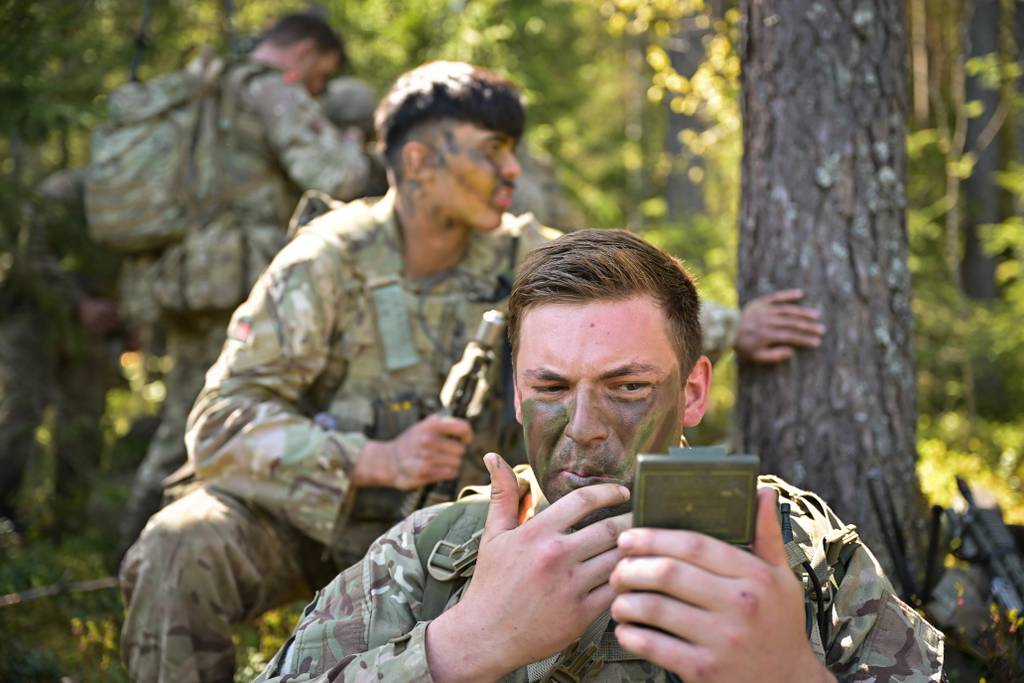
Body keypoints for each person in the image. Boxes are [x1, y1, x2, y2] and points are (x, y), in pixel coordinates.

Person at [118, 60, 824, 682]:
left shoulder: (513, 251)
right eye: (492, 152)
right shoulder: (324, 263)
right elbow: (220, 422)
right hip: (314, 520)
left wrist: (739, 325)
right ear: (420, 161)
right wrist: (372, 457)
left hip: (456, 531)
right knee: (178, 547)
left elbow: (623, 308)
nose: (512, 171)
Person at [256, 229, 944, 682]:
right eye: (550, 387)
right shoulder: (425, 559)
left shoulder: (800, 551)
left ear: (694, 390)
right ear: (519, 397)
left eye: (629, 387)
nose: (584, 427)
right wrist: (463, 644)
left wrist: (790, 673)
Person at [117, 12, 372, 553]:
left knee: (180, 419)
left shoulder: (203, 85)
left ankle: (133, 549)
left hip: (186, 274)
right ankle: (162, 555)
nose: (318, 88)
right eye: (320, 76)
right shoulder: (270, 93)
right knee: (220, 420)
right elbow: (337, 177)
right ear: (304, 52)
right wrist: (350, 142)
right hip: (240, 280)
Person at [0, 169, 127, 528]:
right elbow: (32, 257)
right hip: (33, 318)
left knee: (84, 422)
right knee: (21, 414)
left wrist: (128, 321)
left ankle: (67, 523)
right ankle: (5, 521)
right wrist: (77, 302)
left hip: (92, 328)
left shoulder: (138, 197)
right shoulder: (60, 193)